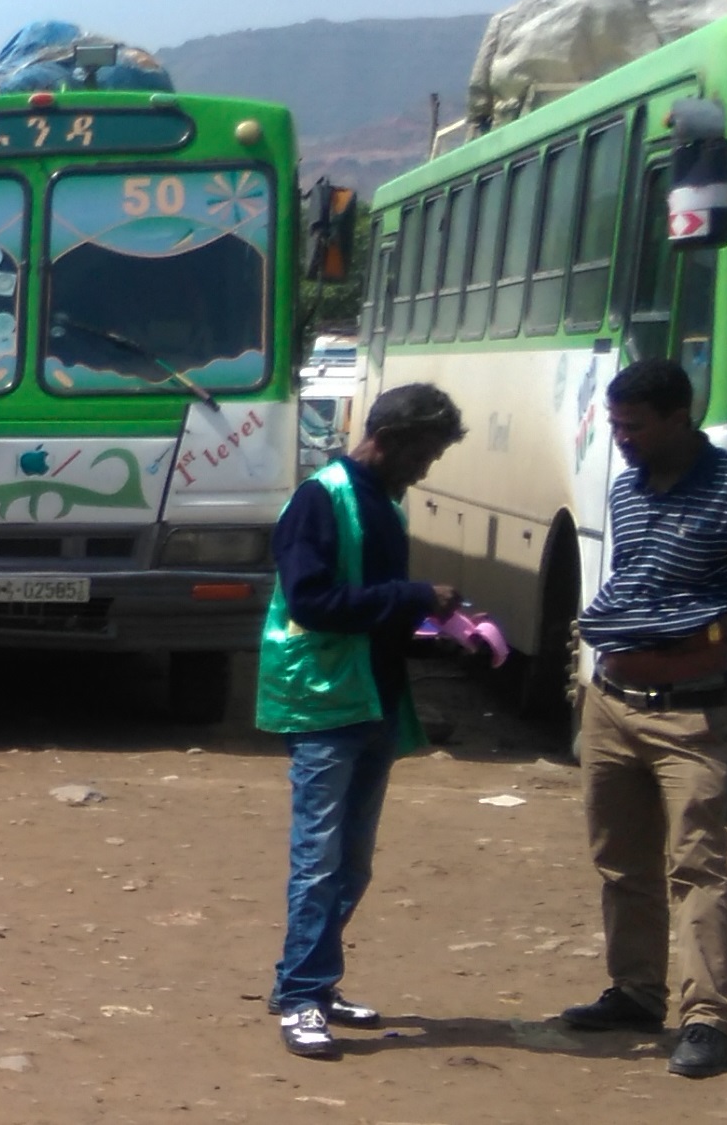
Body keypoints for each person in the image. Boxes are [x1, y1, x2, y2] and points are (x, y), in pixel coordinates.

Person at [558, 359, 727, 1078]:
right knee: (620, 861)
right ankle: (635, 991)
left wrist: (724, 627)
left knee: (697, 866)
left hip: (692, 717)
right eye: (614, 426)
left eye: (633, 426)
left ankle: (705, 1016)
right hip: (611, 702)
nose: (621, 440)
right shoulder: (625, 489)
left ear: (680, 418)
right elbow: (634, 589)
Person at [257, 384, 465, 1058]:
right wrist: (413, 595)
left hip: (370, 696)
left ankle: (307, 976)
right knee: (317, 859)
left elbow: (373, 608)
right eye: (425, 452)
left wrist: (437, 626)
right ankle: (301, 997)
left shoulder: (385, 504)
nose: (425, 468)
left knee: (350, 863)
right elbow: (314, 601)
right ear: (395, 437)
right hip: (323, 700)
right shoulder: (321, 498)